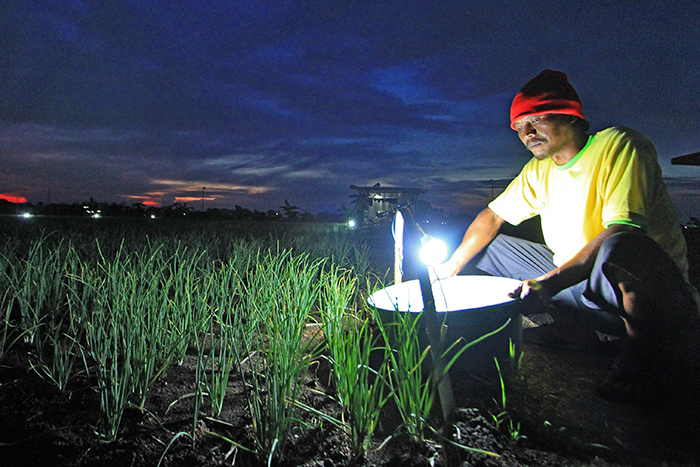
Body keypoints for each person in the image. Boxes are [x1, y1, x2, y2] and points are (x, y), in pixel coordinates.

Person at [433, 69, 700, 404]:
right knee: (491, 248)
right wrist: (450, 266)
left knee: (621, 245)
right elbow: (492, 216)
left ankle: (641, 356)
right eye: (519, 126)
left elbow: (622, 231)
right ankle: (574, 332)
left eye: (536, 120)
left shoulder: (620, 145)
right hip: (582, 290)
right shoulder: (538, 170)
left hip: (649, 301)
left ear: (570, 115)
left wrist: (549, 282)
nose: (526, 133)